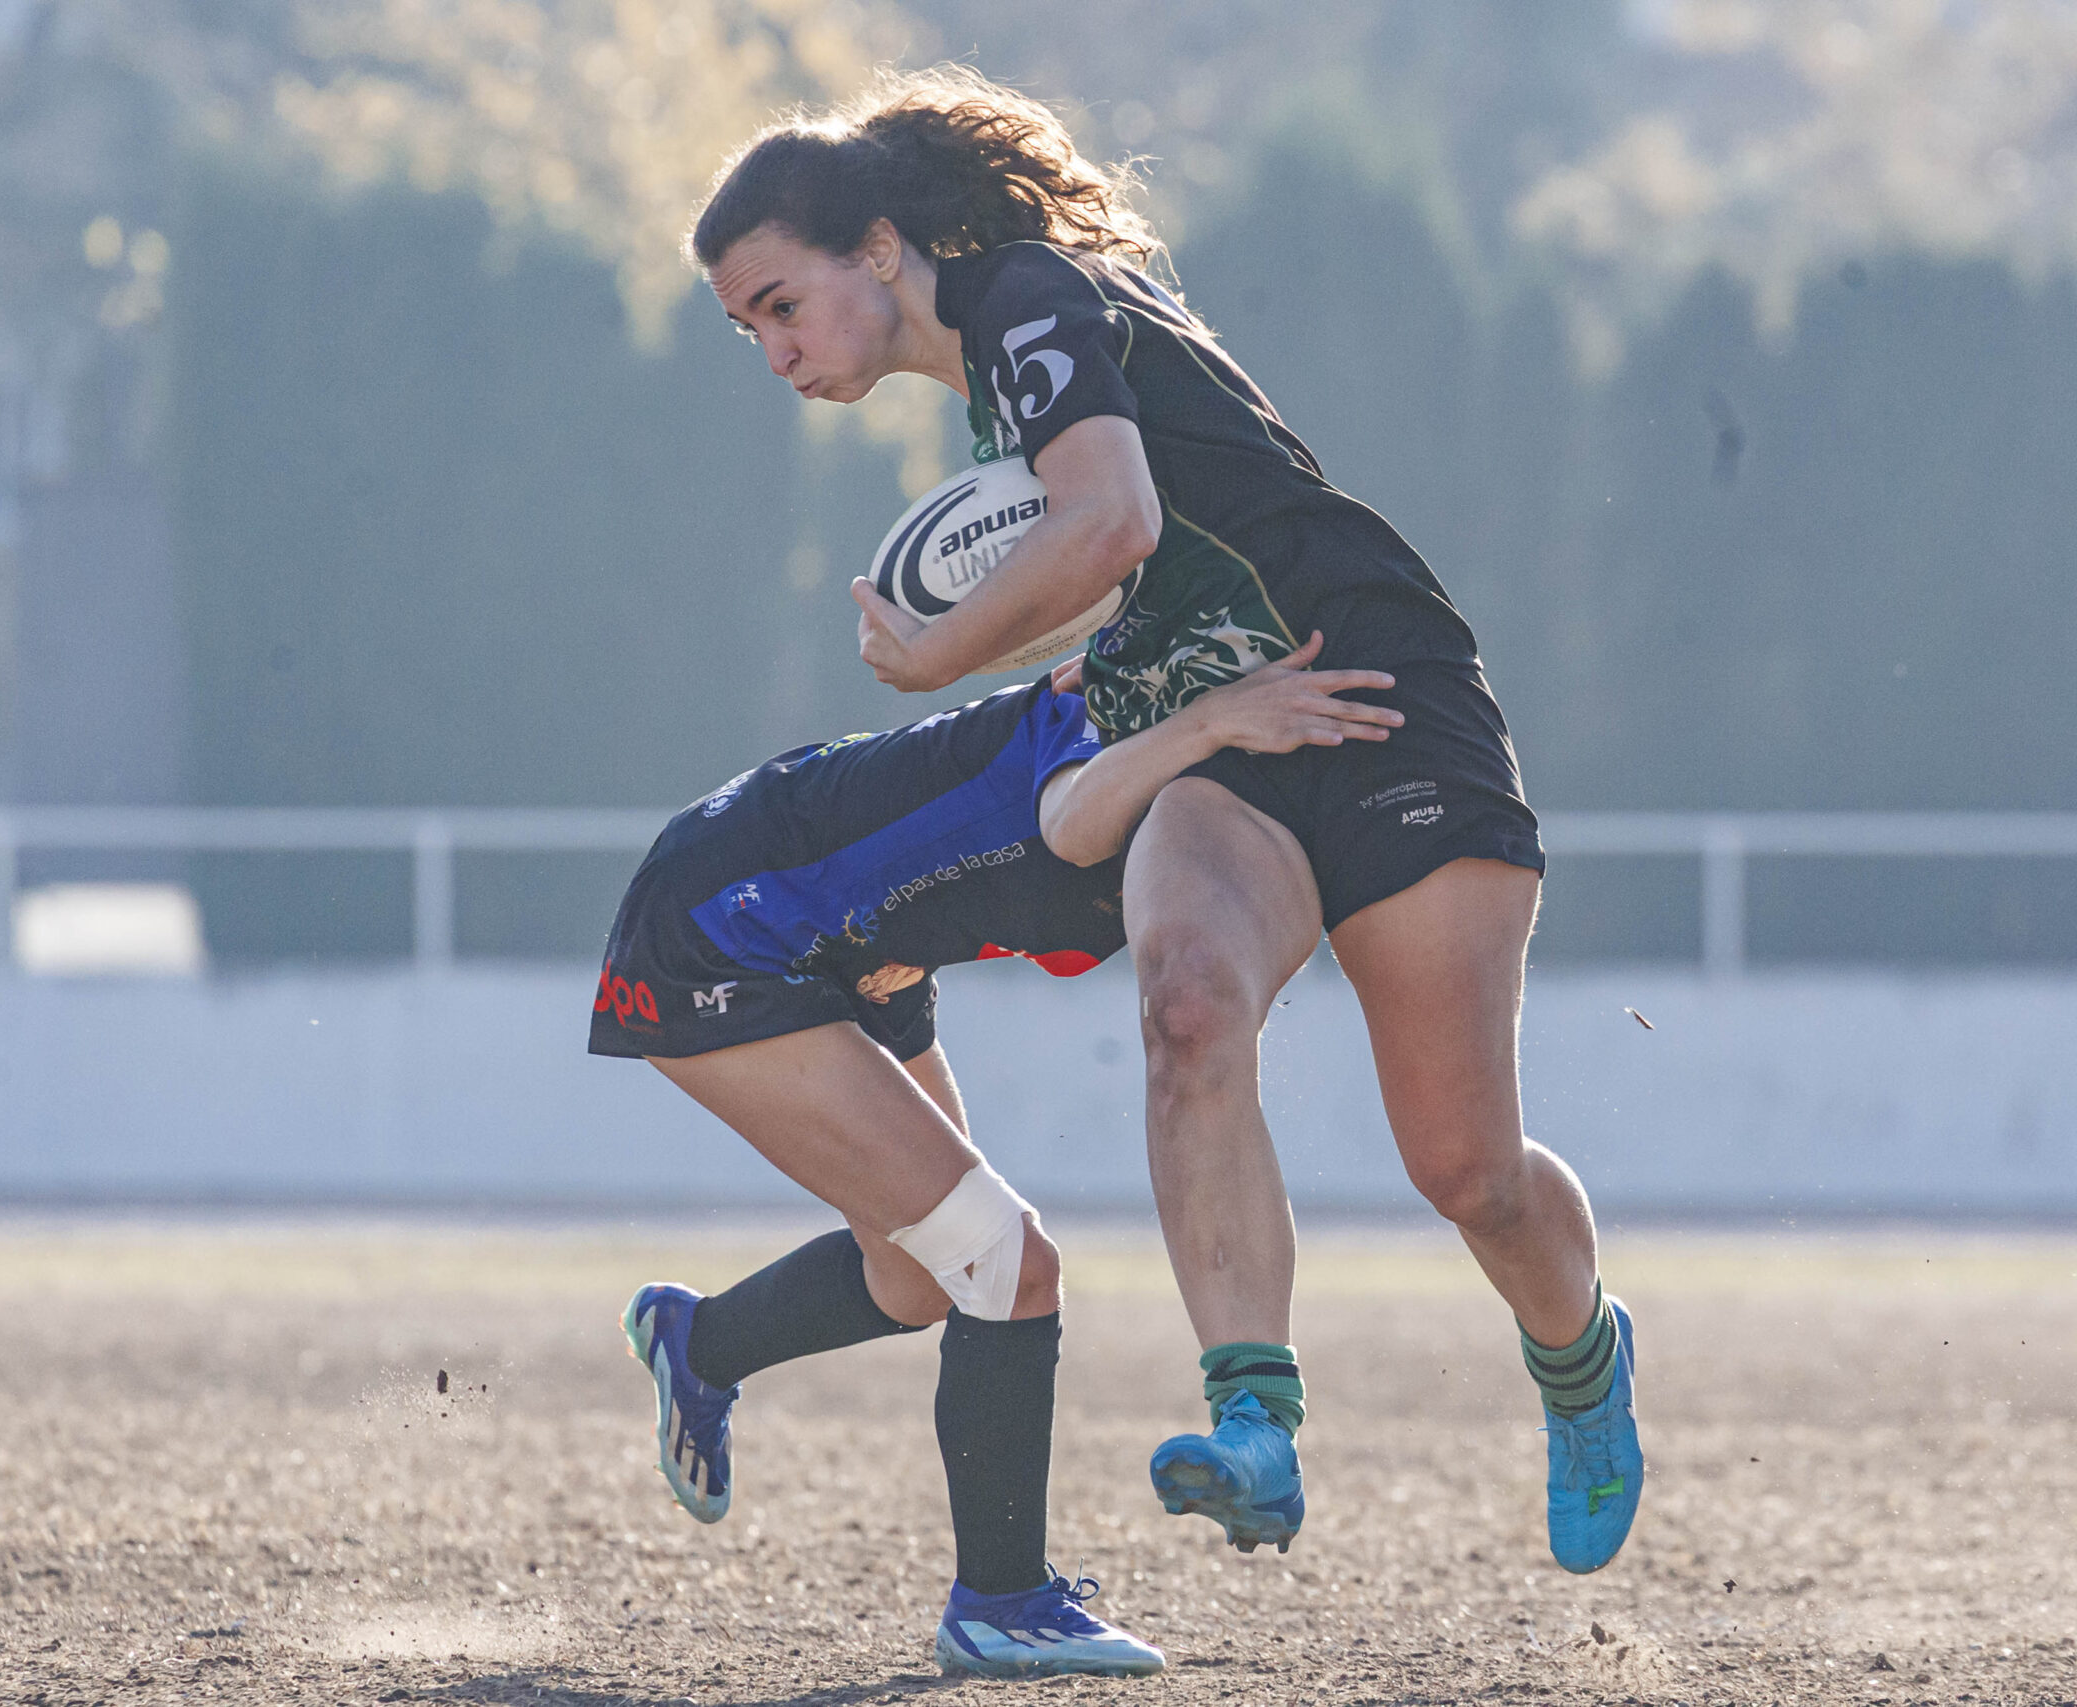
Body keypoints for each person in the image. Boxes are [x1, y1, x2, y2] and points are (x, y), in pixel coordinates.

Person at [686, 66, 1642, 1577]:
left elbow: (1115, 520)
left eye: (780, 303)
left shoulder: (1025, 298)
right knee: (1188, 1004)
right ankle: (1253, 1421)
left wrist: (936, 656)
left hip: (1377, 694)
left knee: (1468, 1168)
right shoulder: (1005, 382)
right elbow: (1125, 554)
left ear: (878, 249)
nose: (776, 350)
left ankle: (1582, 1360)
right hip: (1236, 733)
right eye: (749, 330)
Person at [593, 643, 1397, 1677]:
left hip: (850, 947)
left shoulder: (1195, 798)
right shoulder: (1114, 732)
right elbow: (1064, 819)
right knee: (1005, 1263)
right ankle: (1000, 1603)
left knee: (934, 1272)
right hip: (728, 927)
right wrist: (1208, 720)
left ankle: (701, 1342)